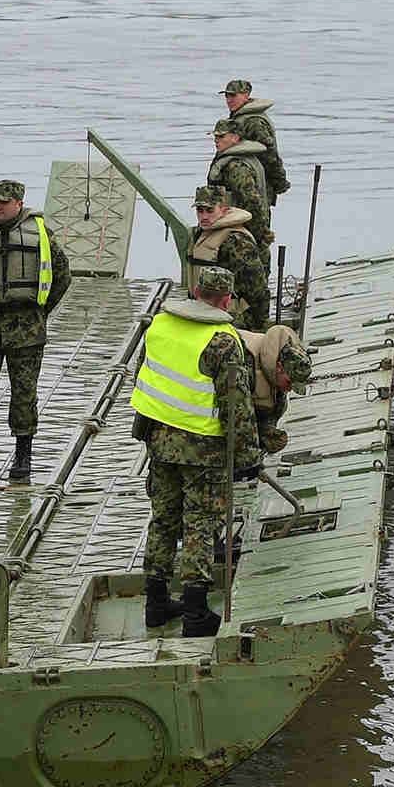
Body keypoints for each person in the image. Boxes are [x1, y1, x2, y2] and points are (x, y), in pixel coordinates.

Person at [128, 266, 257, 638]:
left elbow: (145, 376)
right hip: (202, 449)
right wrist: (248, 458)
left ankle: (155, 604)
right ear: (227, 300)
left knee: (163, 519)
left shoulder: (160, 325)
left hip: (159, 440)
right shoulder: (223, 340)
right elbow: (237, 405)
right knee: (200, 524)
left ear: (196, 291)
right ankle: (196, 613)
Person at [0, 179, 72, 483]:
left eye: (4, 203)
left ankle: (23, 455)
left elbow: (62, 274)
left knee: (24, 394)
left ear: (19, 204)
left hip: (25, 328)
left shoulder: (40, 234)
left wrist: (40, 310)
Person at [187, 185, 269, 329]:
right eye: (200, 210)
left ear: (223, 210)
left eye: (210, 210)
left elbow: (257, 288)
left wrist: (257, 324)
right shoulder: (201, 234)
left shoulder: (236, 240)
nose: (204, 216)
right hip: (203, 311)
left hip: (231, 316)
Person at [235, 321, 312, 459]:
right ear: (280, 367)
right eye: (289, 383)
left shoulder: (275, 370)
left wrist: (267, 431)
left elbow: (269, 410)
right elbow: (234, 416)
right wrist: (248, 457)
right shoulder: (246, 364)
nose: (288, 390)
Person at [220, 80, 290, 204]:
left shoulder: (254, 122)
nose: (229, 100)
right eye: (227, 96)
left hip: (257, 185)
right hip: (241, 183)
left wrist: (279, 182)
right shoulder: (238, 118)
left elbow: (270, 155)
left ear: (246, 95)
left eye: (233, 95)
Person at [207, 120, 274, 245]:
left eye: (221, 136)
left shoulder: (236, 166)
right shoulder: (246, 158)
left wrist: (261, 233)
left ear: (235, 138)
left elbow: (251, 200)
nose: (216, 140)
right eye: (215, 136)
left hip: (243, 233)